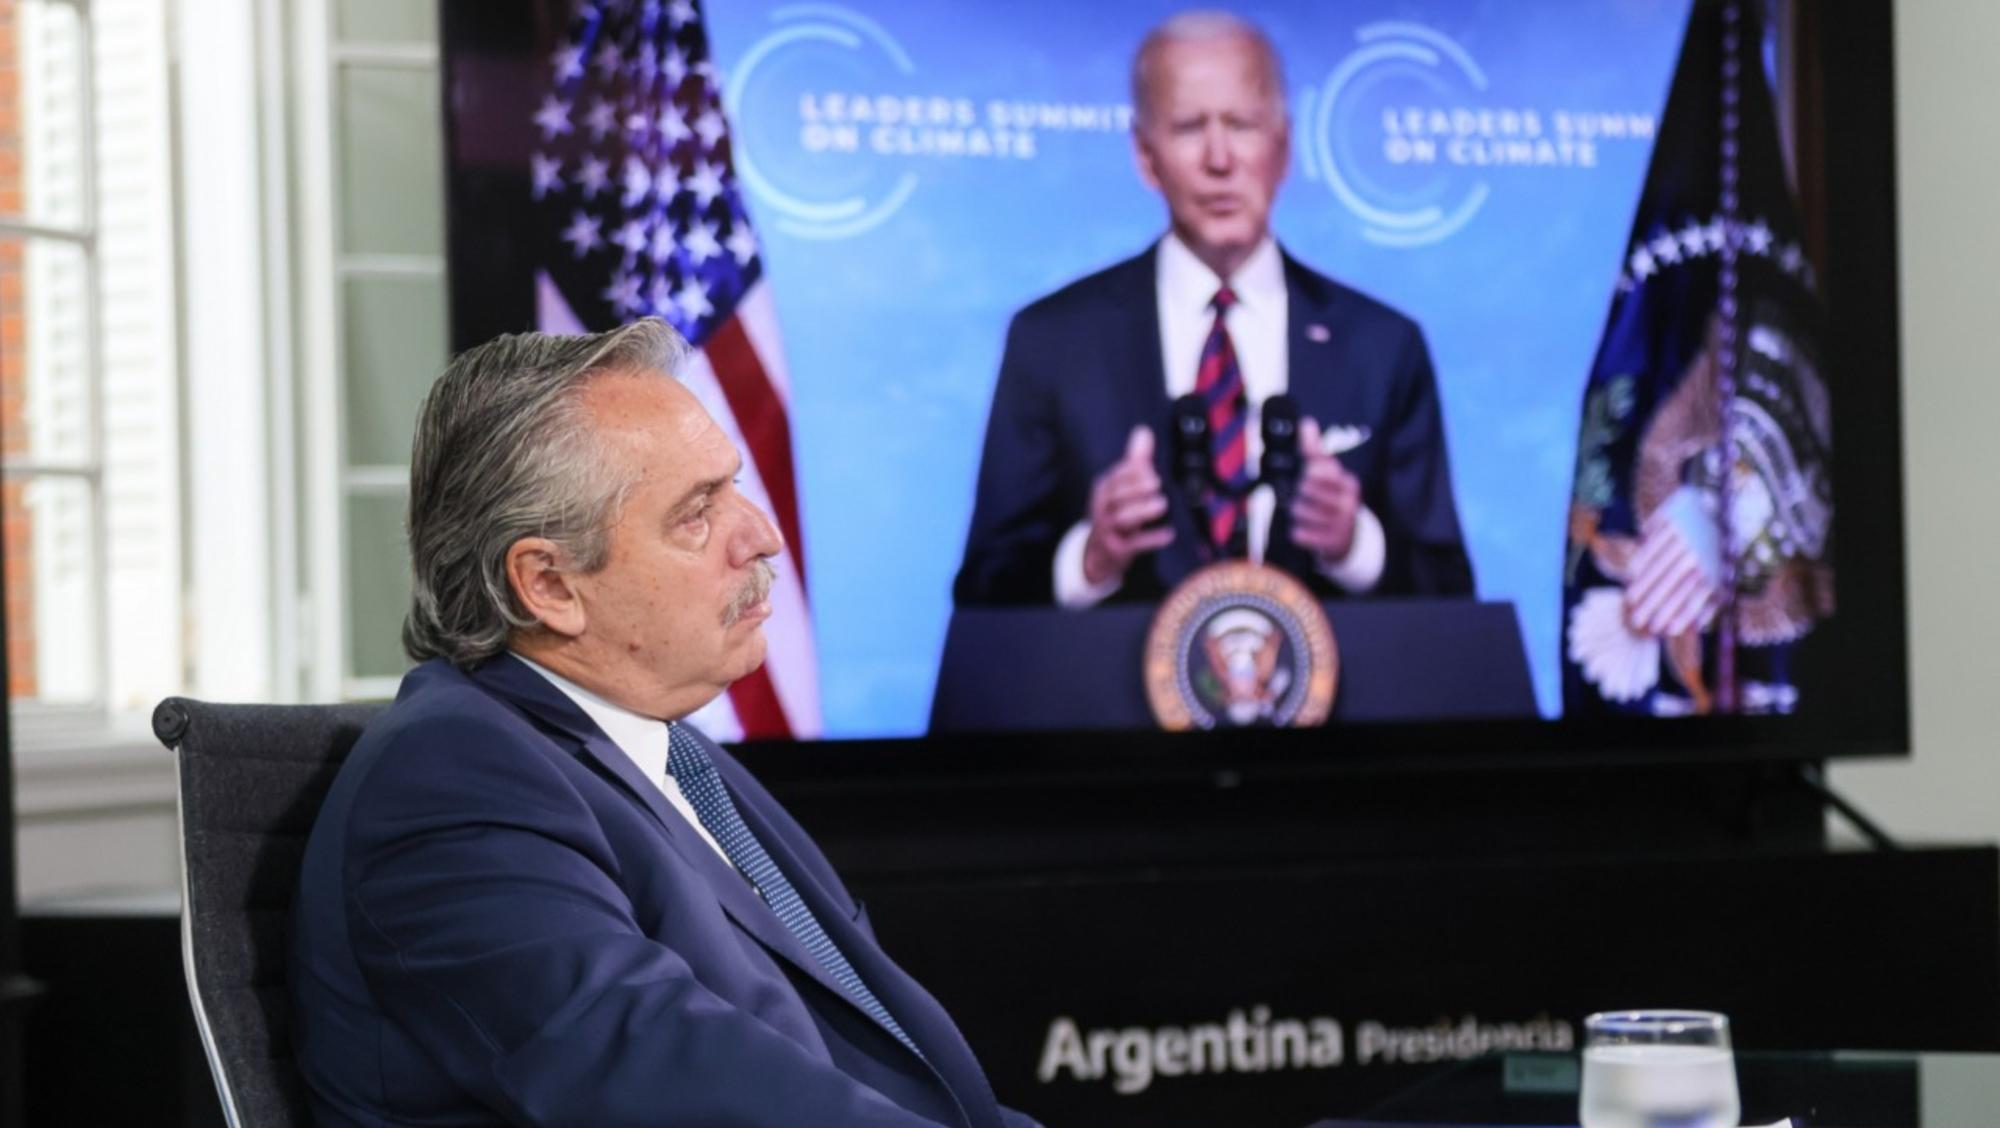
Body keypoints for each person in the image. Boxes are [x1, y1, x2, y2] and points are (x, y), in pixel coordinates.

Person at [291, 320, 1041, 1127]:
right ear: (548, 585)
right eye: (697, 514)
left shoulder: (671, 753)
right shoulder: (450, 783)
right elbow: (675, 1085)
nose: (763, 535)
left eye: (735, 489)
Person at [954, 10, 1474, 607]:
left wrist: (1352, 544)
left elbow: (1451, 594)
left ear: (1282, 148)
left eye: (1242, 124)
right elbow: (983, 598)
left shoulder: (1381, 346)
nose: (1219, 159)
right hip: (1108, 697)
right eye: (1189, 127)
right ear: (1146, 157)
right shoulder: (1053, 341)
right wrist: (1094, 557)